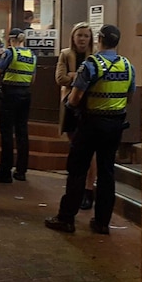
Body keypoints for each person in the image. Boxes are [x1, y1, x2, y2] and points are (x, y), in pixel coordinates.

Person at [45, 24, 135, 235]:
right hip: (115, 126)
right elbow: (129, 98)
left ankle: (66, 218)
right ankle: (102, 223)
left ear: (99, 39)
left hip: (90, 124)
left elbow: (75, 98)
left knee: (76, 171)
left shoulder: (91, 65)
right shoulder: (127, 66)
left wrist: (73, 106)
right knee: (107, 173)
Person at [55, 21, 97, 209]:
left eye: (86, 36)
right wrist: (78, 76)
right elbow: (60, 78)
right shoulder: (65, 54)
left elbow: (96, 81)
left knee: (90, 152)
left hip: (90, 107)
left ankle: (89, 190)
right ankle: (76, 190)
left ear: (91, 39)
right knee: (75, 149)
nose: (82, 39)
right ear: (73, 36)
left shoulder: (95, 57)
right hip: (71, 107)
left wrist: (75, 76)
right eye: (79, 35)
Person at [0, 28, 36, 183]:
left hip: (10, 95)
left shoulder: (10, 53)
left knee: (7, 133)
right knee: (22, 132)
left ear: (10, 39)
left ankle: (4, 172)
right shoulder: (31, 55)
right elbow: (33, 79)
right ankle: (21, 171)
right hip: (25, 94)